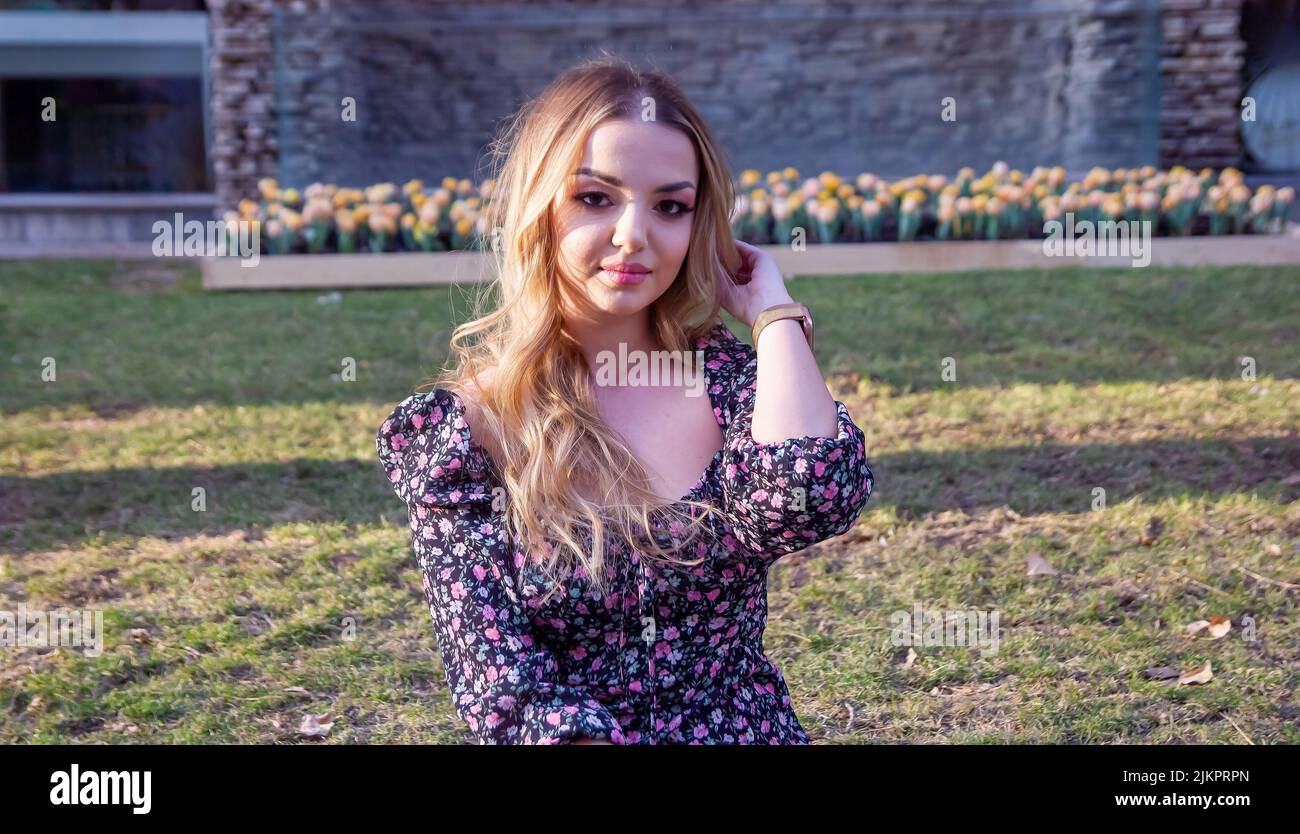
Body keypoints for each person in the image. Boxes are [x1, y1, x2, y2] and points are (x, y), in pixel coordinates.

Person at [376, 55, 875, 744]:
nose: (634, 234)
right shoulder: (464, 432)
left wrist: (772, 310)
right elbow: (501, 685)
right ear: (539, 208)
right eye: (595, 198)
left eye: (670, 206)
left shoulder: (729, 383)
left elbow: (810, 502)